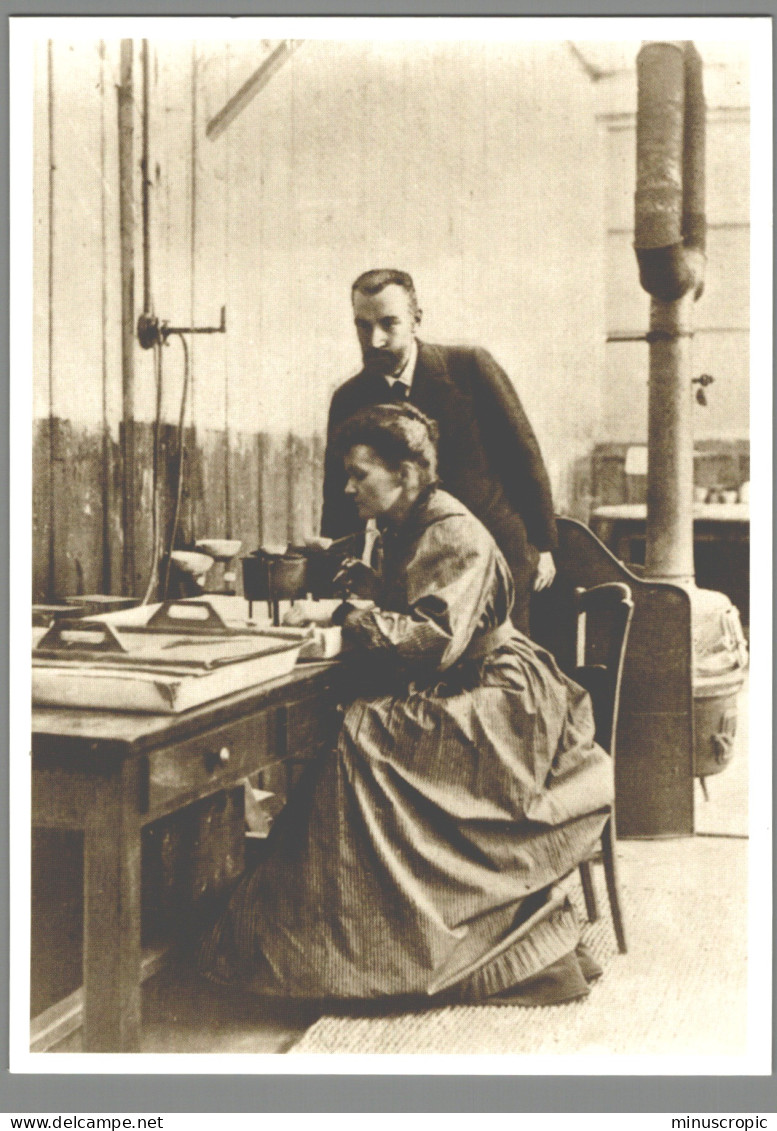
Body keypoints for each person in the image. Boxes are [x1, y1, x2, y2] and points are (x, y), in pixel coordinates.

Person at [199, 404, 613, 1008]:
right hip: (470, 681)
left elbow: (432, 639)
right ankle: (337, 928)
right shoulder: (411, 524)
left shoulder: (449, 529)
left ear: (408, 475)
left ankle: (381, 947)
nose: (348, 487)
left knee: (364, 739)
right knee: (360, 727)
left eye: (360, 475)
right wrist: (348, 605)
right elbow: (414, 606)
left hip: (503, 698)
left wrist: (344, 623)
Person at [321, 268, 558, 634]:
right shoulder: (350, 398)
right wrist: (334, 573)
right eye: (362, 326)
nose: (376, 340)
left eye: (389, 324)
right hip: (410, 565)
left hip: (495, 552)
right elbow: (339, 495)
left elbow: (523, 454)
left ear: (416, 320)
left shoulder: (469, 368)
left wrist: (543, 547)